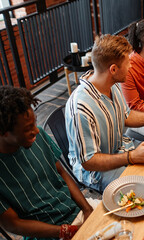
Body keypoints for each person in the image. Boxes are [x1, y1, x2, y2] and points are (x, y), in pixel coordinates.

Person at [65, 34, 144, 192]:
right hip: (96, 172)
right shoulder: (80, 108)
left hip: (121, 149)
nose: (131, 67)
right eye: (128, 63)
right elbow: (89, 161)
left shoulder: (111, 84)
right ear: (113, 69)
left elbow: (127, 116)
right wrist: (131, 157)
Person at [0, 86, 97, 240]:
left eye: (34, 123)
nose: (36, 131)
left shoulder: (39, 137)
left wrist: (87, 210)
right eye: (28, 128)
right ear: (4, 132)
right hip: (46, 233)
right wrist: (65, 231)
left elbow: (62, 173)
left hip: (73, 211)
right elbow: (13, 224)